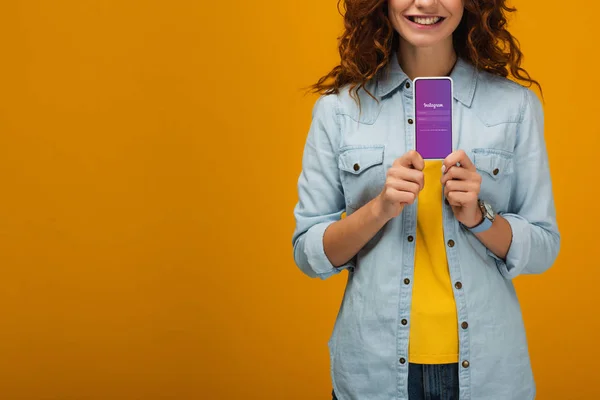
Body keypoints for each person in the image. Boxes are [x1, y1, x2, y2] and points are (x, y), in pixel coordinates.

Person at [291, 0, 560, 399]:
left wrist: (479, 217)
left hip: (488, 371)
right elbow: (308, 253)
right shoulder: (338, 112)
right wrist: (379, 208)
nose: (426, 3)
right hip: (374, 372)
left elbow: (543, 247)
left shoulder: (515, 107)